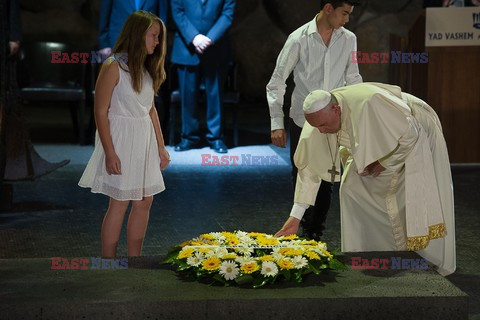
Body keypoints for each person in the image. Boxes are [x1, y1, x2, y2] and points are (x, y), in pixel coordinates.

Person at [275, 82, 455, 276]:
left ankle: (422, 259)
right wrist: (295, 218)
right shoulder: (318, 122)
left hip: (416, 128)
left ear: (336, 109)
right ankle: (368, 254)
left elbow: (410, 136)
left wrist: (383, 163)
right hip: (389, 140)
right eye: (316, 126)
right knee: (351, 188)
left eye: (323, 126)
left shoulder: (371, 103)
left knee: (412, 195)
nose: (321, 131)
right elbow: (308, 171)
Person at [266, 0, 362, 240]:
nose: (346, 20)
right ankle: (299, 230)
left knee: (328, 177)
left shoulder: (349, 38)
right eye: (344, 13)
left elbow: (353, 77)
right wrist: (276, 123)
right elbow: (277, 82)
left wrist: (359, 115)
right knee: (303, 173)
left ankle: (314, 235)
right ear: (328, 8)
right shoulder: (299, 38)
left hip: (333, 119)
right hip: (303, 119)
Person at [79, 11, 170, 258]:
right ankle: (108, 262)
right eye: (153, 36)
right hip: (121, 140)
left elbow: (151, 110)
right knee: (119, 203)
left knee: (144, 201)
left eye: (158, 37)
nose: (157, 42)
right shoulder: (114, 65)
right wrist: (109, 152)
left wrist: (161, 147)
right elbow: (100, 112)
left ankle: (134, 260)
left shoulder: (146, 67)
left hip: (143, 139)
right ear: (138, 35)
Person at [171, 0, 236, 154]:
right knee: (188, 94)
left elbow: (227, 14)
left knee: (215, 95)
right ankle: (188, 137)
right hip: (187, 48)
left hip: (215, 47)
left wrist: (209, 38)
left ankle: (216, 137)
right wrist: (194, 37)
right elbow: (177, 11)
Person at [98, 0, 168, 57]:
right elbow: (104, 15)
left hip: (146, 48)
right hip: (118, 44)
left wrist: (159, 44)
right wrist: (104, 45)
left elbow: (162, 19)